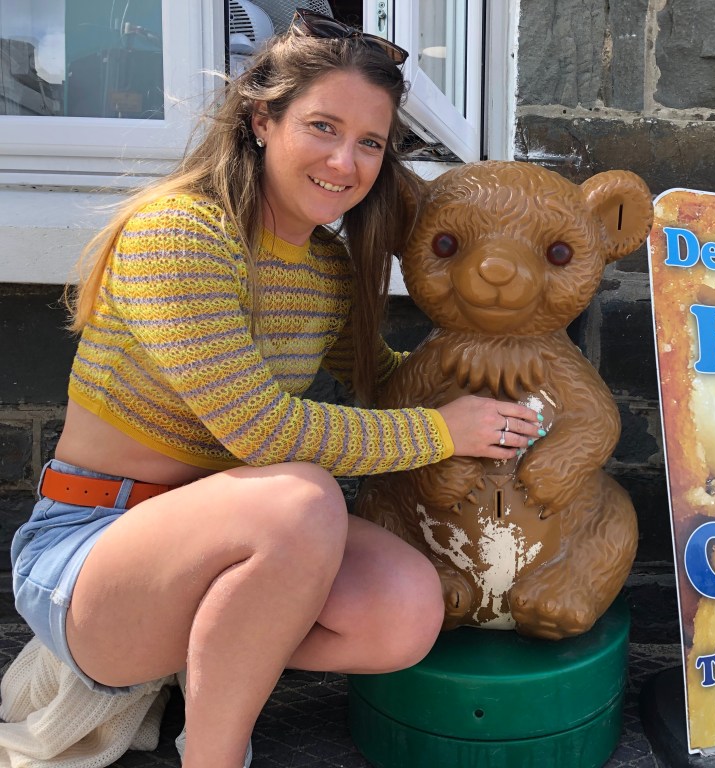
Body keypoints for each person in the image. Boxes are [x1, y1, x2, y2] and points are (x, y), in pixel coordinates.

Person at [7, 10, 542, 767]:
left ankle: (217, 658)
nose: (345, 162)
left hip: (232, 548)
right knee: (301, 497)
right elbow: (262, 432)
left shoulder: (325, 266)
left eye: (370, 143)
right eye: (323, 127)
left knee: (404, 610)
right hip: (89, 549)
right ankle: (215, 755)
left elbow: (383, 379)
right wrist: (444, 431)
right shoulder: (180, 233)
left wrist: (488, 376)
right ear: (263, 120)